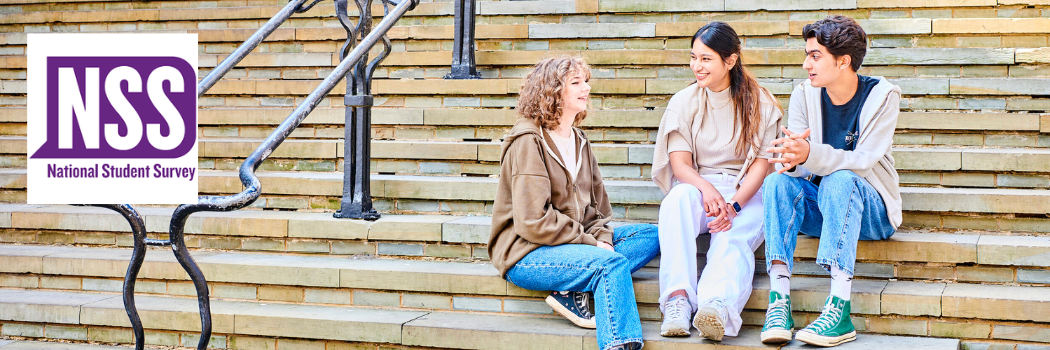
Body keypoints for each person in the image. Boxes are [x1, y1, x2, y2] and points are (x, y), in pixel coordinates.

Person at [488, 56, 660, 350]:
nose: (587, 88)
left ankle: (571, 287)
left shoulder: (580, 140)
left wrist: (601, 237)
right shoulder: (528, 140)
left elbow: (598, 211)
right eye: (576, 82)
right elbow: (532, 221)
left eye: (586, 81)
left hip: (572, 243)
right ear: (553, 90)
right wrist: (592, 245)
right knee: (611, 264)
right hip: (527, 253)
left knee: (656, 234)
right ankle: (621, 344)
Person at [759, 15, 902, 347]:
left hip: (872, 212)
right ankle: (779, 302)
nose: (806, 63)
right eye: (807, 54)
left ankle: (839, 308)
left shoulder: (882, 96)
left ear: (843, 61)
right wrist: (791, 159)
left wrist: (809, 152)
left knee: (840, 179)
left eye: (815, 55)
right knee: (775, 184)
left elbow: (863, 162)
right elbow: (796, 169)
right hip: (823, 208)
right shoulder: (803, 94)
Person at [651, 21, 782, 341]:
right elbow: (680, 164)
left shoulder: (761, 102)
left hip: (746, 191)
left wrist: (734, 204)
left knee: (731, 233)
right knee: (675, 203)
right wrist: (706, 189)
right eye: (693, 57)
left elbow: (763, 166)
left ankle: (716, 306)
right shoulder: (684, 102)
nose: (697, 66)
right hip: (699, 185)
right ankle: (677, 301)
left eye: (706, 59)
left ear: (731, 60)